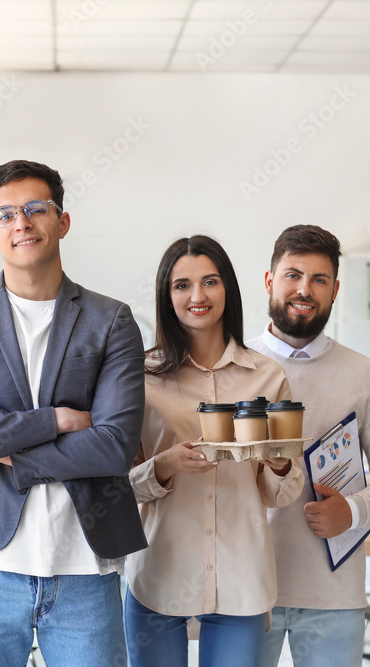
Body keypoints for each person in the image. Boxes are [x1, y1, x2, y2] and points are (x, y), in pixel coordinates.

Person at [0, 159, 147, 666]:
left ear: (62, 221)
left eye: (34, 209)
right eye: (5, 215)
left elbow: (114, 446)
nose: (20, 222)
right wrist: (58, 420)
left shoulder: (111, 320)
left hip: (86, 567)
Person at [125, 236, 303, 666]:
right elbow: (117, 489)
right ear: (167, 297)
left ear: (229, 290)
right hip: (159, 572)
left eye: (210, 282)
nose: (198, 296)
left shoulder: (267, 377)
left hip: (241, 578)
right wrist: (163, 467)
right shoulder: (141, 376)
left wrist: (278, 464)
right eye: (182, 285)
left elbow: (283, 491)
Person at [249, 225, 370, 667]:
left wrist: (354, 510)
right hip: (246, 591)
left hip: (333, 592)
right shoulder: (233, 367)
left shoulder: (364, 374)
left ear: (335, 290)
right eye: (293, 275)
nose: (304, 290)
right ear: (269, 281)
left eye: (319, 280)